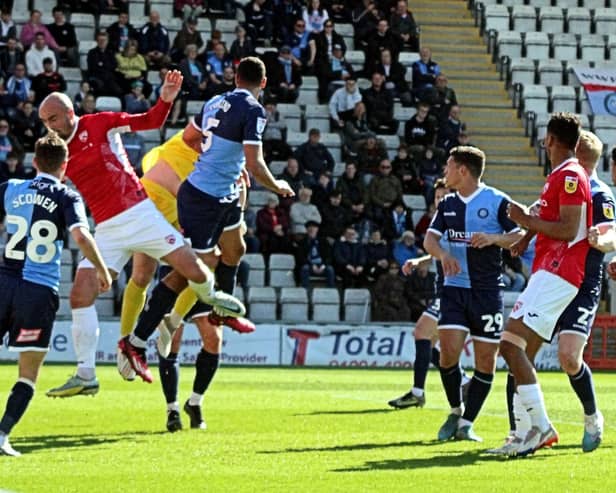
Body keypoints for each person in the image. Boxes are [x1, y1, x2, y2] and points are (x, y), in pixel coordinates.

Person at [39, 70, 245, 398]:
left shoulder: (100, 123)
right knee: (79, 295)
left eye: (52, 118)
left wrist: (165, 98)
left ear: (68, 113)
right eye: (44, 121)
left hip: (140, 213)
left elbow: (150, 120)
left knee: (194, 270)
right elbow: (50, 185)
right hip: (106, 229)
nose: (49, 125)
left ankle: (213, 298)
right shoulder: (58, 153)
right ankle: (86, 375)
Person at [118, 58, 295, 429]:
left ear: (235, 77)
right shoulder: (254, 109)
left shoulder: (216, 102)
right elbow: (256, 160)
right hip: (202, 199)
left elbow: (188, 138)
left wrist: (217, 159)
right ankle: (135, 341)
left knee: (236, 250)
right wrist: (276, 185)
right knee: (187, 274)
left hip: (224, 193)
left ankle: (221, 312)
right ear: (263, 82)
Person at [490, 129, 611, 456]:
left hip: (581, 281)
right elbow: (539, 216)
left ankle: (591, 416)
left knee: (569, 357)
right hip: (554, 273)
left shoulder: (598, 193)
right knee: (519, 350)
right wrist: (524, 238)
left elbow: (610, 232)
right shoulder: (564, 182)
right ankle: (520, 432)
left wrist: (604, 243)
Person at [0, 133, 111, 456]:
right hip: (38, 292)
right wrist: (103, 270)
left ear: (33, 162)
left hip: (4, 282)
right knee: (28, 371)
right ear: (65, 166)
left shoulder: (9, 188)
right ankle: (2, 434)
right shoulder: (67, 196)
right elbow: (80, 236)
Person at [423, 146, 522, 442]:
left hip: (487, 292)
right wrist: (442, 254)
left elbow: (520, 235)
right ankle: (455, 411)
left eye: (449, 167)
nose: (445, 172)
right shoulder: (448, 203)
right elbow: (430, 239)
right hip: (454, 290)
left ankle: (467, 423)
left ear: (463, 170)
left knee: (485, 361)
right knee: (448, 353)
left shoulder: (497, 201)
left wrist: (493, 238)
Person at [389, 179, 471, 409]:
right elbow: (440, 252)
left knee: (421, 332)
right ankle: (464, 380)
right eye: (436, 197)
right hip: (444, 288)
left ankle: (419, 392)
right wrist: (420, 260)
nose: (439, 201)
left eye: (443, 196)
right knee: (431, 345)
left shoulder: (458, 219)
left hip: (454, 290)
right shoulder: (442, 220)